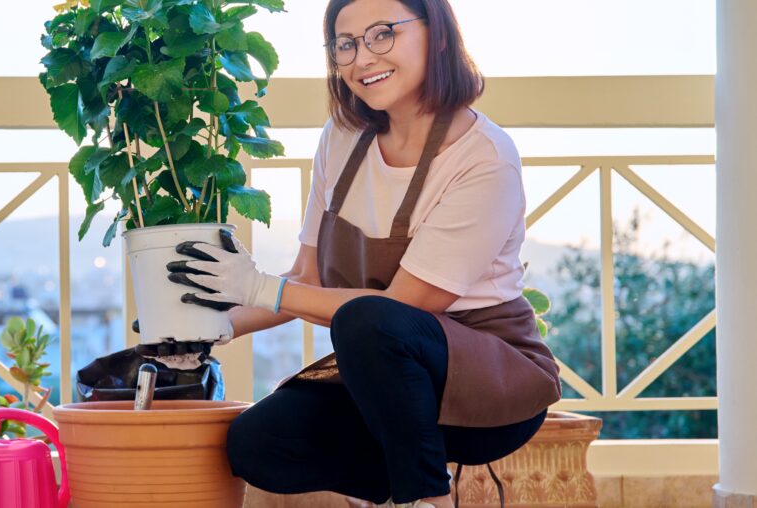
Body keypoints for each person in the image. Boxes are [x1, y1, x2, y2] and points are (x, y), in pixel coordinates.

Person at [165, 0, 562, 507]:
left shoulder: (484, 157)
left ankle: (425, 499)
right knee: (256, 445)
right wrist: (210, 331)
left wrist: (259, 285)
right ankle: (403, 481)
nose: (361, 58)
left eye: (382, 34)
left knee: (371, 320)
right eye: (345, 44)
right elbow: (307, 275)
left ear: (438, 36)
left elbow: (409, 305)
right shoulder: (342, 139)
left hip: (487, 385)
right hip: (383, 380)